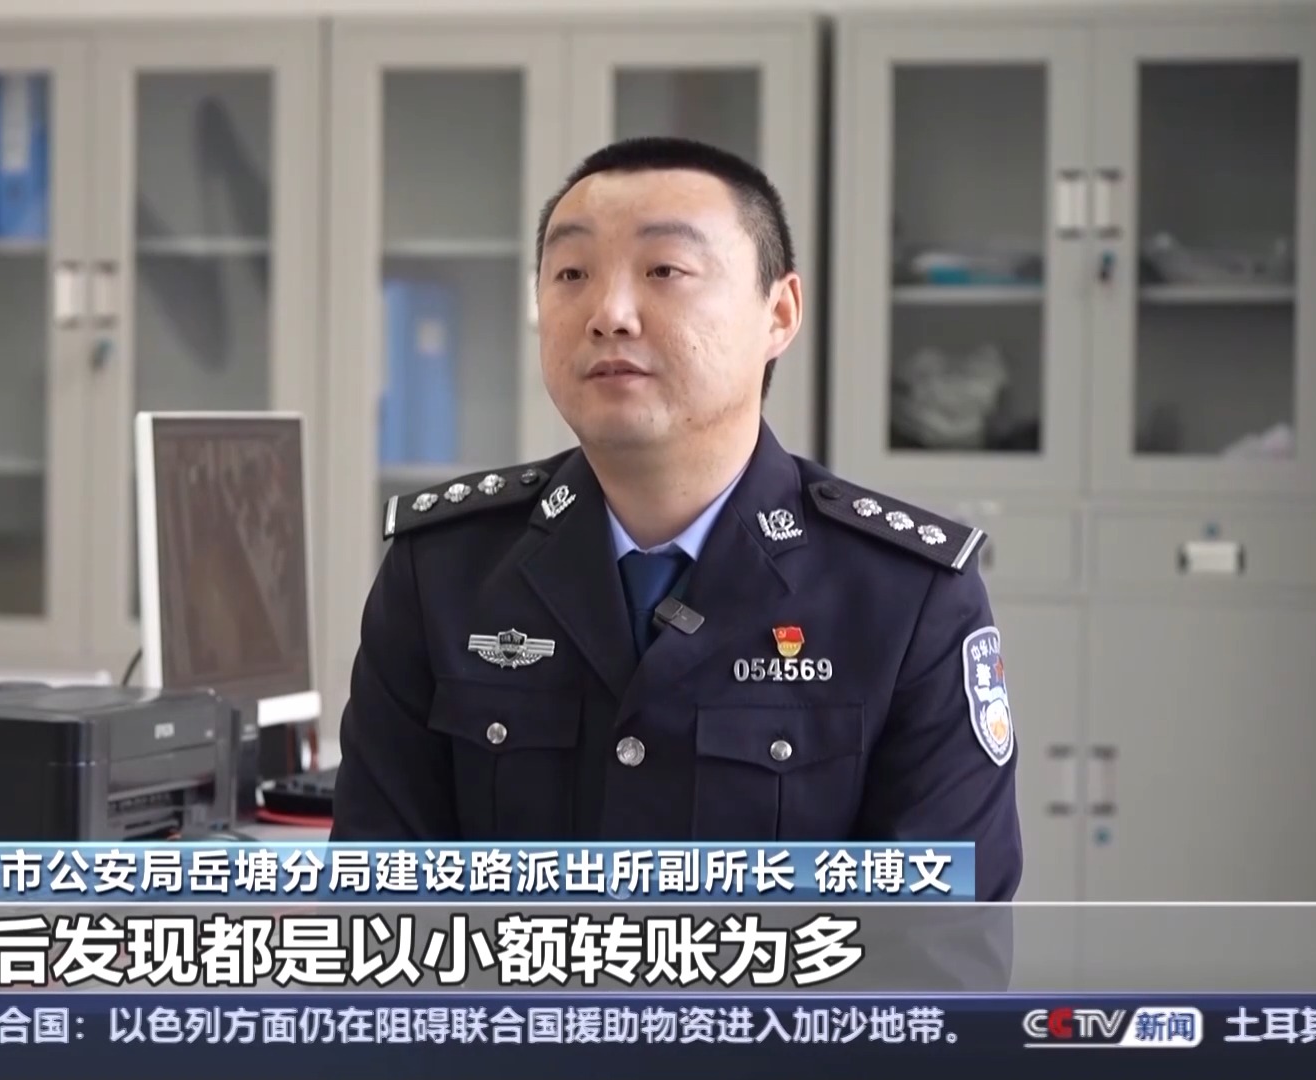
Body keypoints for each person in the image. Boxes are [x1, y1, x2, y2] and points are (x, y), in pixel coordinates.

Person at [331, 136, 1022, 904]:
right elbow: (376, 902)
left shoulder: (906, 595)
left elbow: (941, 937)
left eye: (665, 270)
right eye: (571, 274)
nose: (609, 314)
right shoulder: (444, 570)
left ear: (779, 313)